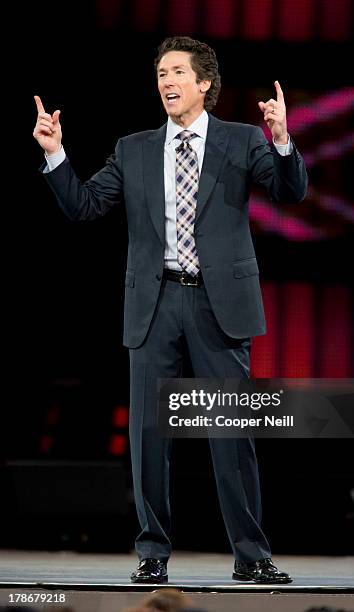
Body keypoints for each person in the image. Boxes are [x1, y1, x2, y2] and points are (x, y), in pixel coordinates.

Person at [33, 36, 307, 584]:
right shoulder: (134, 149)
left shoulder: (240, 140)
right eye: (160, 73)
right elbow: (85, 206)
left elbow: (290, 191)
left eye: (177, 72)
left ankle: (251, 557)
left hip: (216, 303)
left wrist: (281, 142)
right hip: (154, 305)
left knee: (230, 433)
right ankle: (152, 554)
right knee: (149, 438)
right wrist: (55, 154)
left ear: (204, 82)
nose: (166, 82)